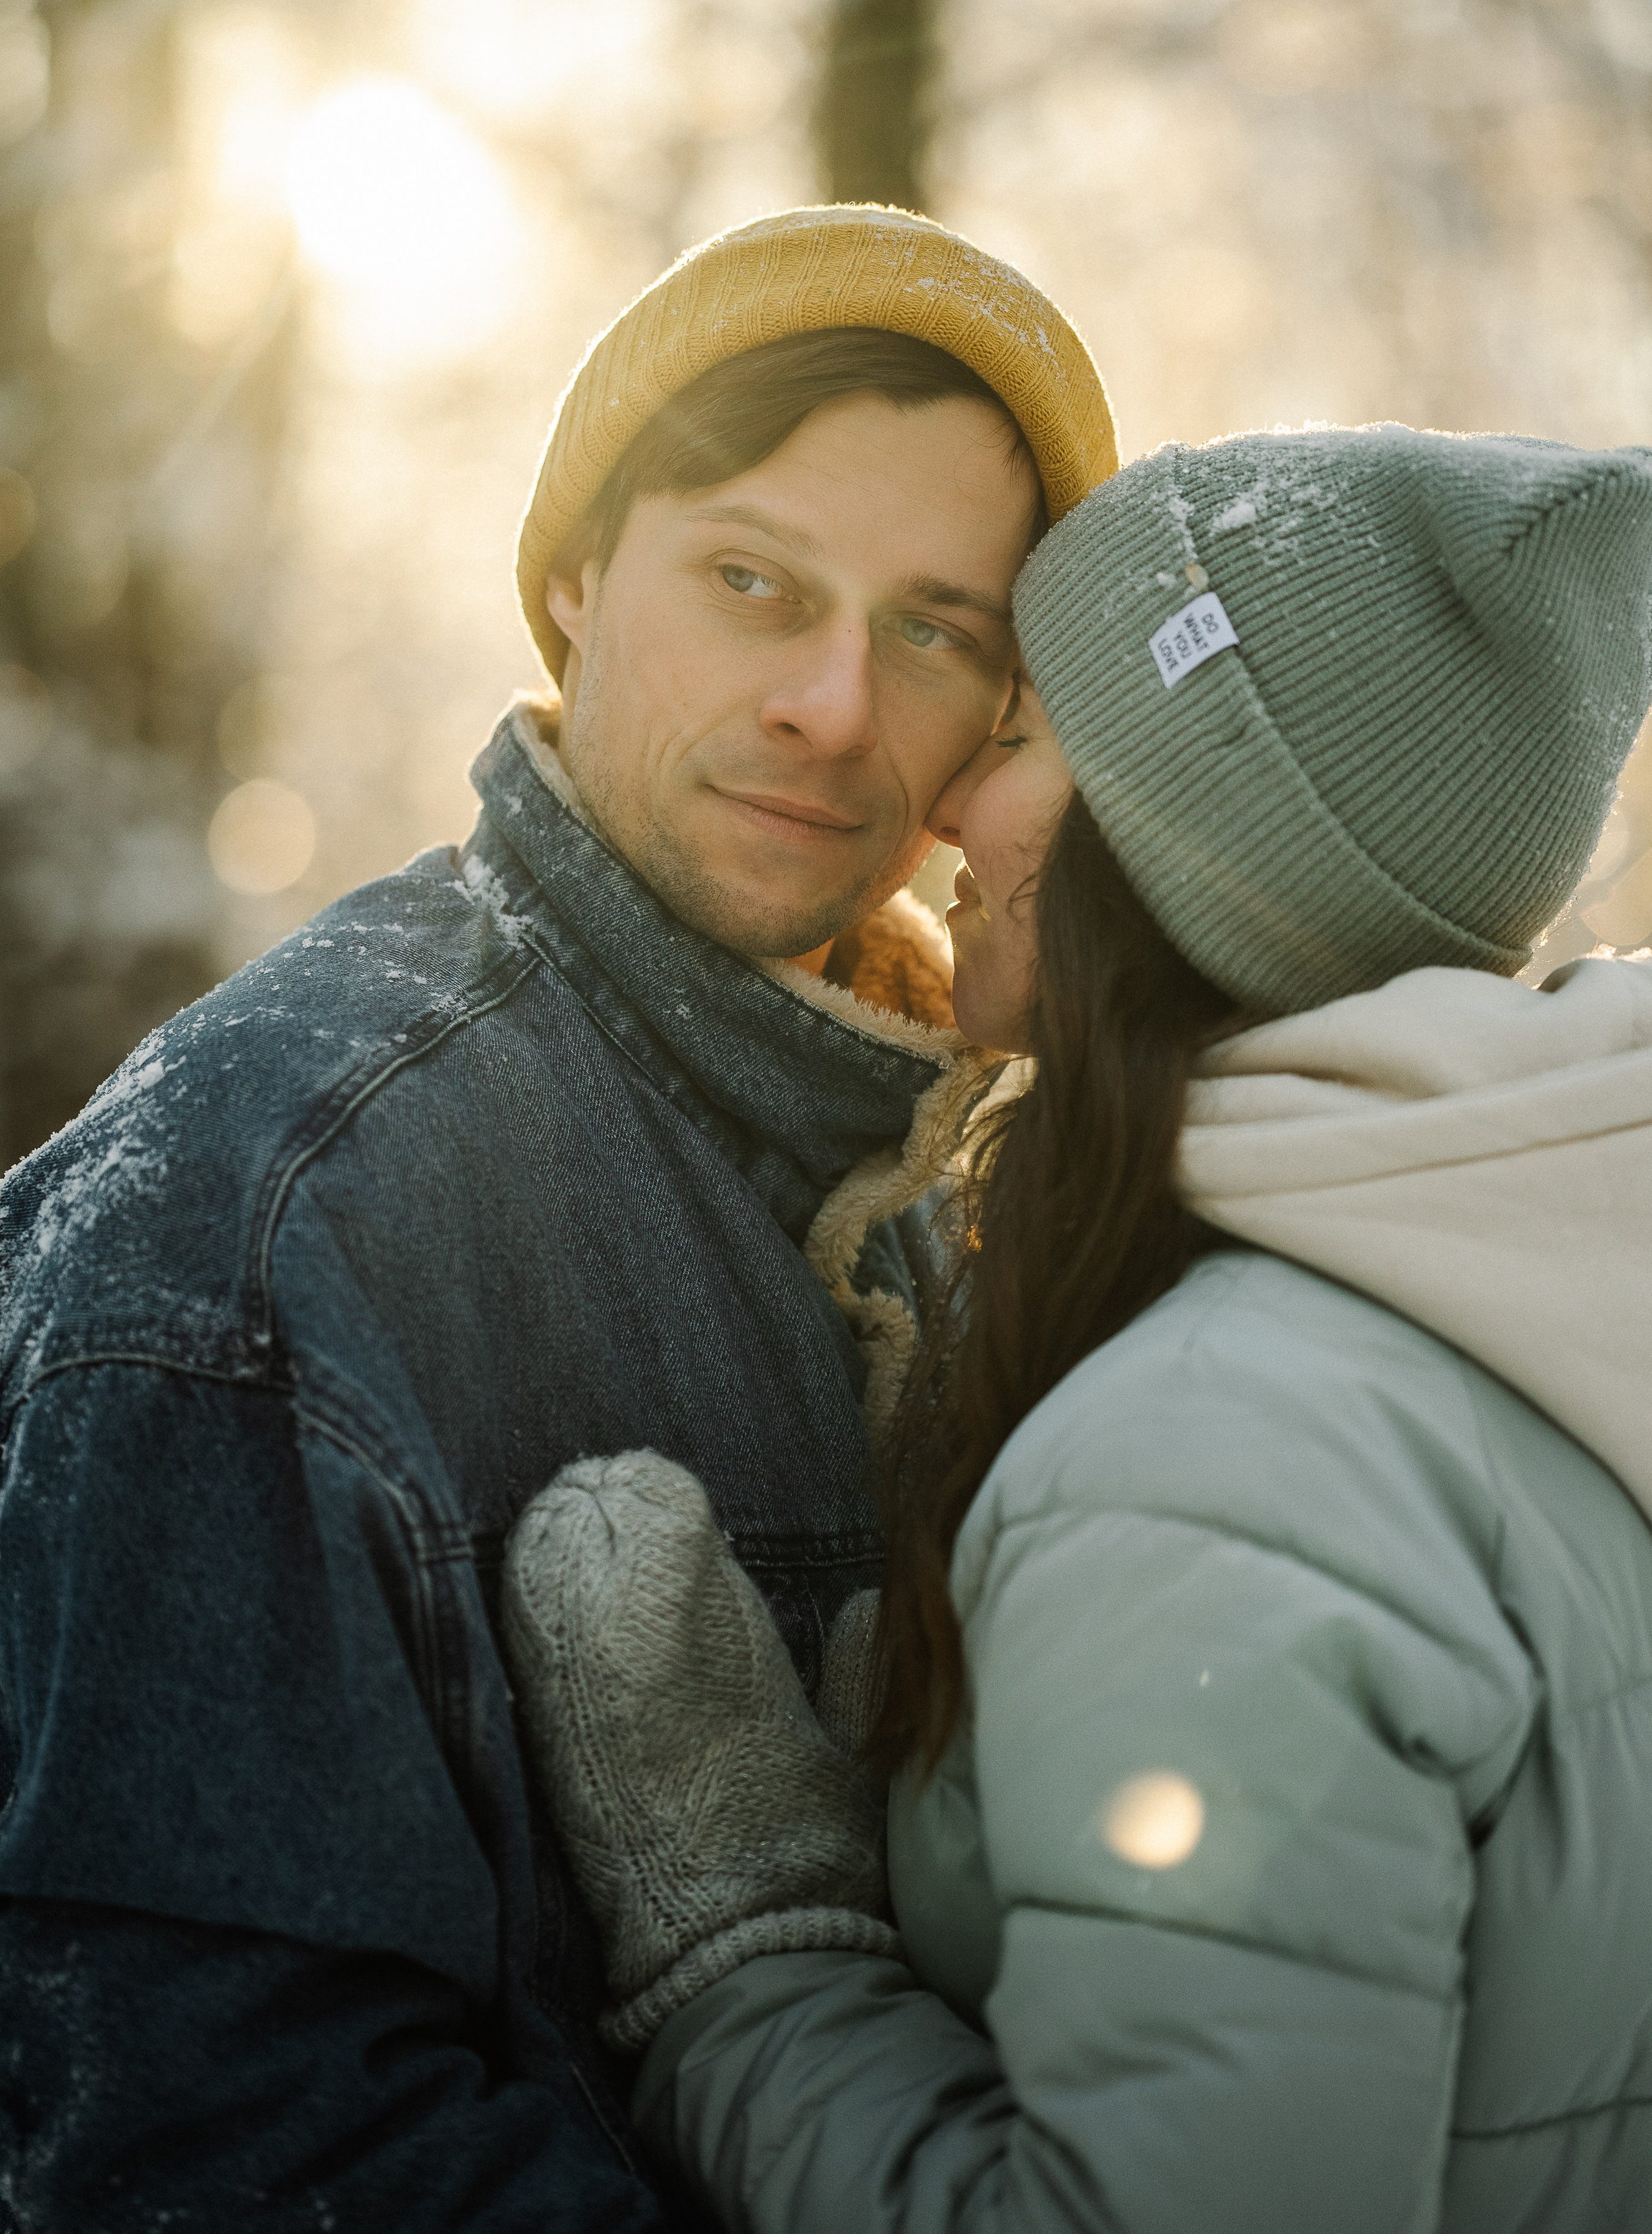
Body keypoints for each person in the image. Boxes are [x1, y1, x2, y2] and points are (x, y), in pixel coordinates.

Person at [0, 207, 1116, 2230]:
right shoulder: (263, 1219)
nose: (836, 706)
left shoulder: (994, 1183)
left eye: (937, 629)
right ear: (578, 583)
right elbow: (220, 2152)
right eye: (753, 580)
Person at [503, 420, 1652, 2233]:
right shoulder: (1520, 1302)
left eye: (1027, 736)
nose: (949, 798)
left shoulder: (1218, 1466)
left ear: (1180, 853)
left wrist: (752, 1940)